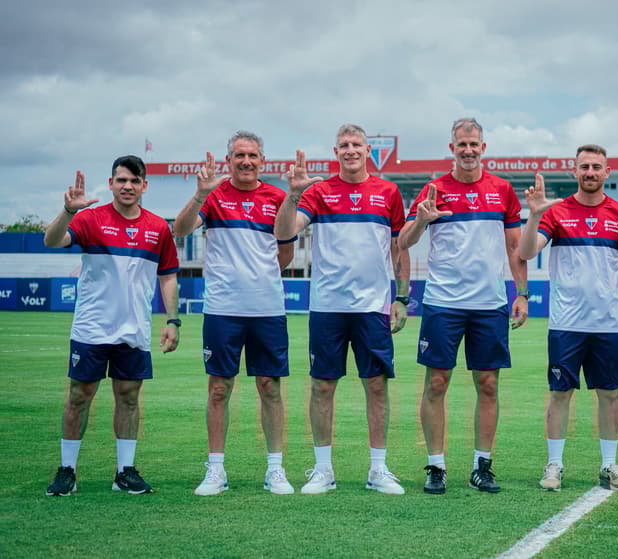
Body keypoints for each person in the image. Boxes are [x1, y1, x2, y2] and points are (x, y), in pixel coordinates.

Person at [274, 124, 410, 495]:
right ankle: (323, 470)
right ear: (336, 152)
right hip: (329, 305)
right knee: (322, 385)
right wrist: (292, 196)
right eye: (343, 145)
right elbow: (284, 233)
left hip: (373, 307)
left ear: (368, 150)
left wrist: (402, 297)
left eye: (356, 145)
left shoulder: (388, 192)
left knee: (377, 386)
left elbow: (400, 247)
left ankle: (378, 469)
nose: (350, 150)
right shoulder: (318, 192)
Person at [398, 117, 528, 494]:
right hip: (443, 303)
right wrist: (422, 220)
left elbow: (514, 246)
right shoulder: (434, 189)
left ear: (483, 148)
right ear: (452, 148)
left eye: (474, 144)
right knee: (436, 384)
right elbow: (404, 241)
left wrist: (521, 293)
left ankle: (481, 466)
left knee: (488, 385)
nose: (468, 151)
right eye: (461, 145)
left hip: (489, 304)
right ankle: (436, 467)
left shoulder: (503, 190)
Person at [44, 155, 180, 496]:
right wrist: (68, 211)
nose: (128, 186)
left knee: (129, 397)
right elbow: (52, 240)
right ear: (111, 183)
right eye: (121, 180)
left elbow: (168, 277)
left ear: (144, 186)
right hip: (91, 328)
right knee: (79, 395)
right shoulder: (90, 218)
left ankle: (125, 472)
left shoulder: (158, 227)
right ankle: (67, 471)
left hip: (133, 330)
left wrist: (172, 320)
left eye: (135, 181)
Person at [173, 131, 296, 496]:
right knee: (218, 389)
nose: (246, 161)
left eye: (253, 155)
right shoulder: (212, 197)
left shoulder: (276, 197)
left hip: (267, 309)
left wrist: (260, 277)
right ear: (229, 161)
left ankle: (275, 469)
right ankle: (216, 470)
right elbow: (179, 231)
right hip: (223, 309)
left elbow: (285, 252)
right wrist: (199, 194)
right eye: (239, 155)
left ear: (263, 161)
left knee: (270, 387)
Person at [518, 145, 618, 492]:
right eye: (584, 166)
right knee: (560, 393)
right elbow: (525, 252)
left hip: (607, 323)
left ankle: (609, 465)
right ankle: (554, 464)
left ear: (607, 172)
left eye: (596, 167)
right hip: (566, 323)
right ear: (575, 172)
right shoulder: (555, 212)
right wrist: (534, 214)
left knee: (610, 395)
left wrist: (610, 291)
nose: (590, 172)